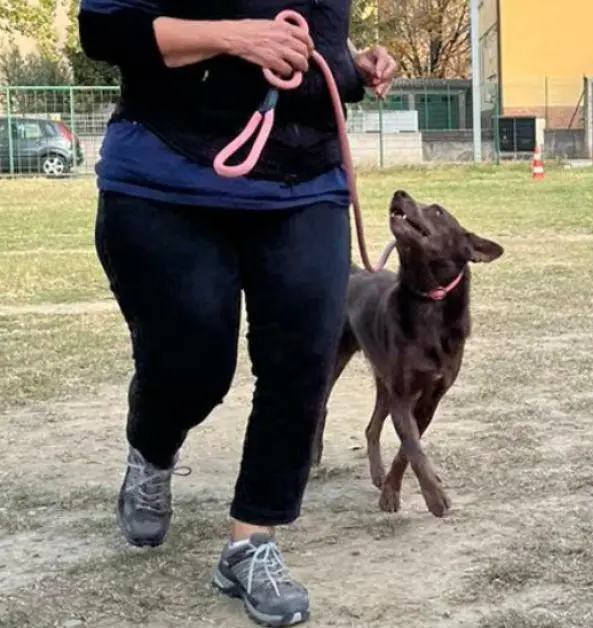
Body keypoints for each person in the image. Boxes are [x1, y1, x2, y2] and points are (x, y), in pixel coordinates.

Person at [77, 2, 397, 626]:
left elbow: (311, 29)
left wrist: (348, 63)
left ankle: (252, 542)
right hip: (166, 174)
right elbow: (104, 27)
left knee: (305, 358)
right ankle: (152, 450)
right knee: (194, 360)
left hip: (304, 179)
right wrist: (233, 39)